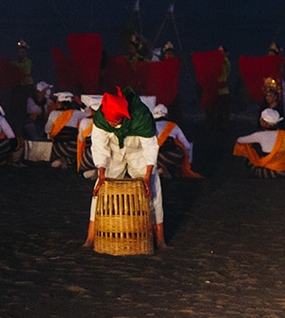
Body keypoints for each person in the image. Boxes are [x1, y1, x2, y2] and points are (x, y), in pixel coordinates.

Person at [85, 89, 167, 249]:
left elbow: (150, 148)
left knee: (152, 189)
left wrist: (147, 176)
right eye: (109, 121)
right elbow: (99, 147)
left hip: (138, 152)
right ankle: (91, 237)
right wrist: (101, 174)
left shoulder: (141, 116)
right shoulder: (100, 117)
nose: (110, 124)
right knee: (100, 189)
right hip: (115, 152)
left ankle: (160, 239)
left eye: (114, 121)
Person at [233, 108, 285, 178]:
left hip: (269, 172)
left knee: (248, 155)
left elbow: (239, 140)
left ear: (265, 123)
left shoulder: (260, 135)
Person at [153, 103, 202, 178]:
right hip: (176, 156)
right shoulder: (173, 126)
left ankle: (160, 170)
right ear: (166, 115)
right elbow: (187, 145)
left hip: (158, 157)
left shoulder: (150, 126)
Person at [45, 92, 83, 168]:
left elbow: (47, 130)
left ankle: (61, 160)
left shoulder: (53, 113)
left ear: (59, 103)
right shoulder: (77, 113)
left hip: (58, 147)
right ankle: (68, 161)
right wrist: (81, 104)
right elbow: (90, 115)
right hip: (73, 147)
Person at [76, 94, 102, 177]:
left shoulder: (84, 121)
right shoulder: (108, 122)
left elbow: (81, 139)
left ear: (90, 110)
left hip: (89, 155)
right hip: (104, 155)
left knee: (84, 173)